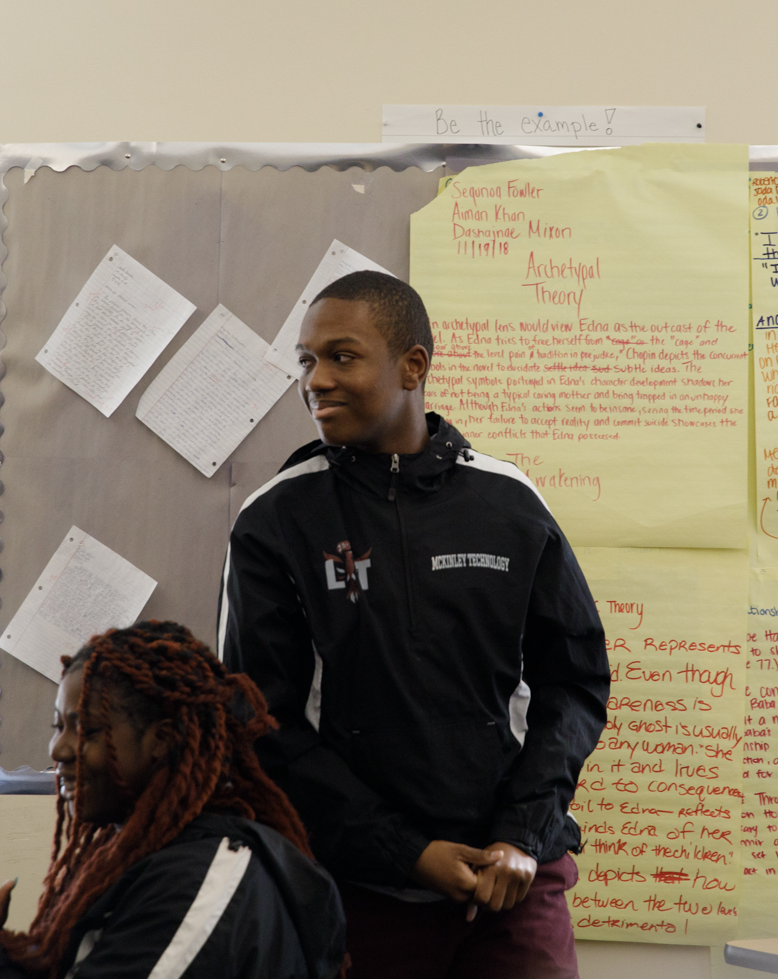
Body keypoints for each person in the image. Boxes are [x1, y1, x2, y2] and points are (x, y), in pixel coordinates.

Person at [219, 270, 610, 978]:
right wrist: (406, 853)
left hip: (512, 883)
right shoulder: (276, 520)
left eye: (341, 357)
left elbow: (574, 685)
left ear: (413, 366)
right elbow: (259, 721)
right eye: (306, 361)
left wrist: (522, 834)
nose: (316, 380)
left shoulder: (510, 505)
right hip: (359, 892)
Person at [0, 620, 346, 979]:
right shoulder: (142, 855)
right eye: (58, 726)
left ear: (162, 741)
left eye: (87, 730)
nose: (58, 750)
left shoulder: (201, 881)